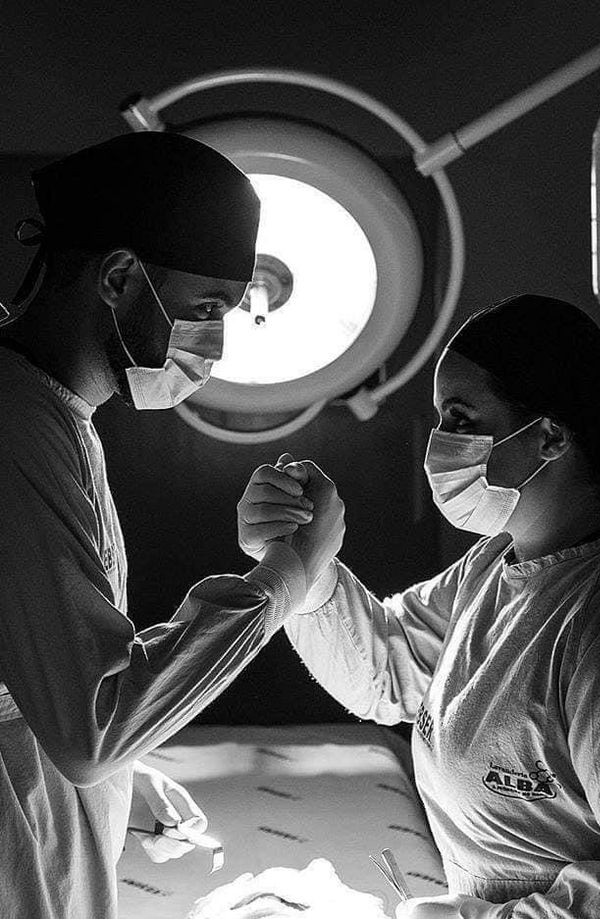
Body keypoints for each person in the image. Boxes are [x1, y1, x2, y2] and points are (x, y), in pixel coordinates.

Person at [220, 294, 600, 918]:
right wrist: (305, 563)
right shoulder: (499, 563)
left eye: (460, 418)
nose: (440, 443)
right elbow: (385, 671)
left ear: (548, 435)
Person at [0, 131, 344, 919]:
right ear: (120, 277)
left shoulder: (55, 411)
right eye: (205, 309)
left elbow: (48, 684)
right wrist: (287, 575)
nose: (214, 346)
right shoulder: (17, 425)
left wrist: (126, 773)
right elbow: (92, 727)